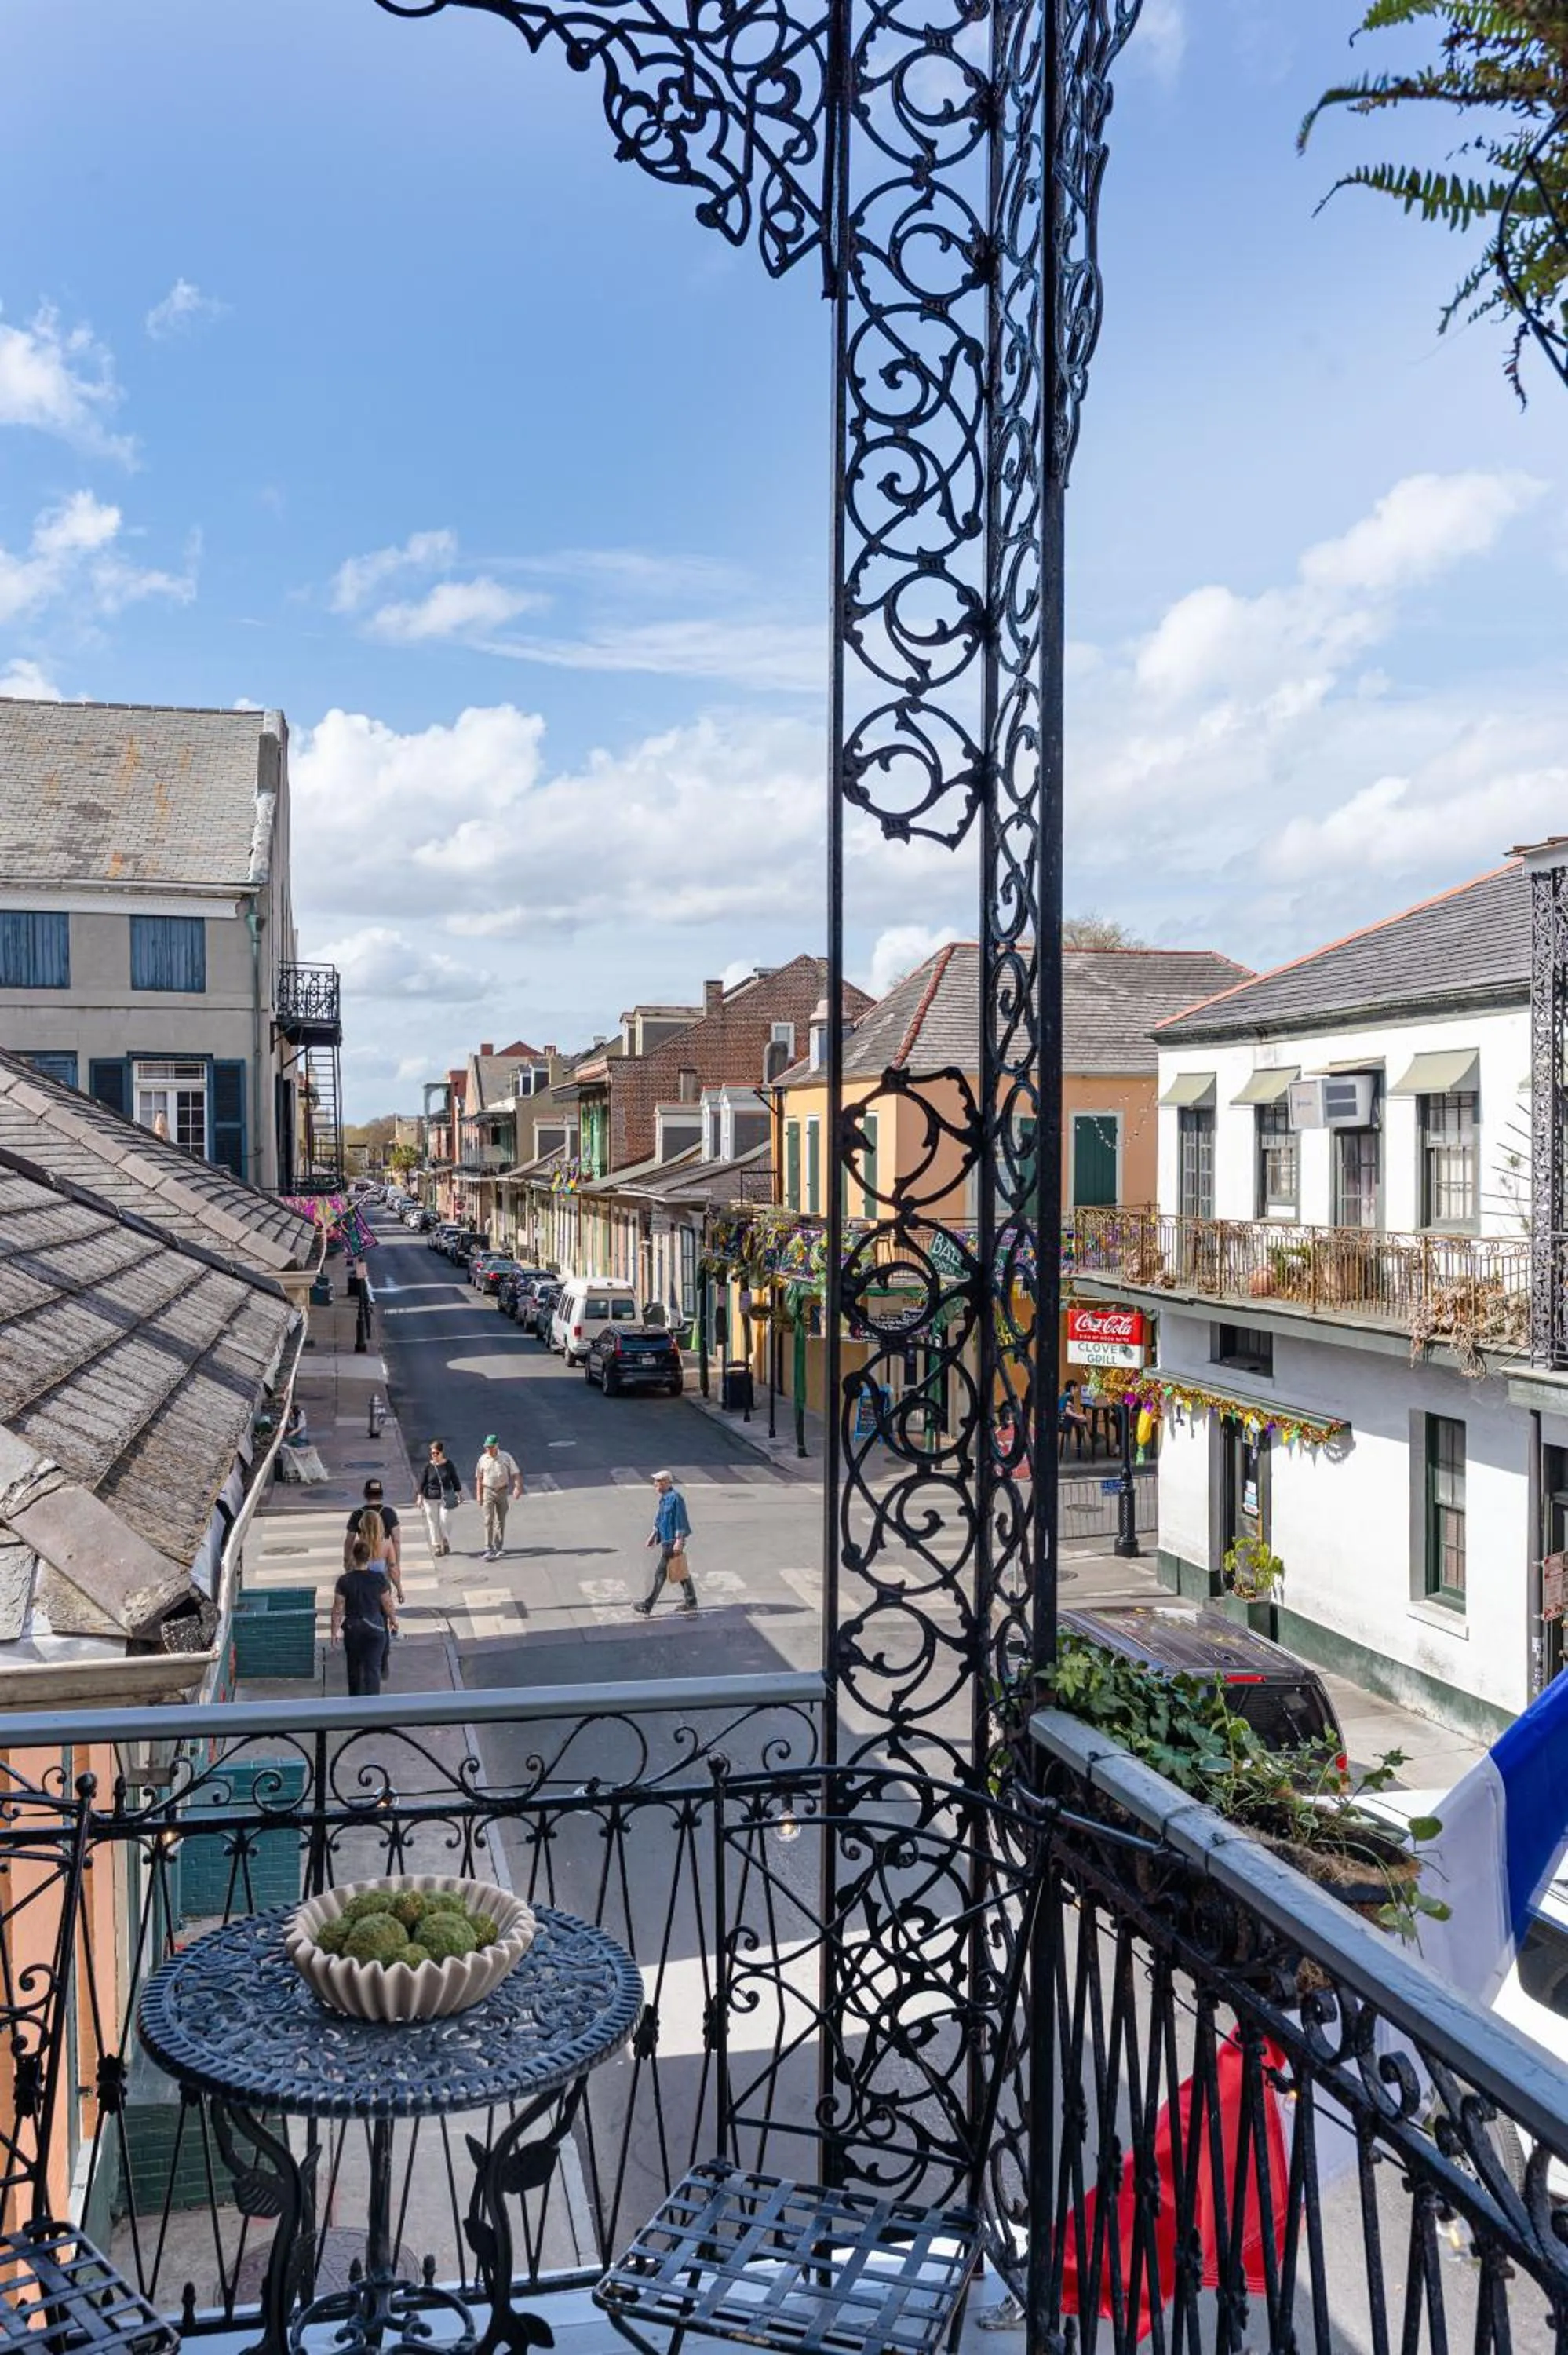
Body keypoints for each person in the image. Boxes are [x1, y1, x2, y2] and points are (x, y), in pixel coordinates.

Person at [331, 1536, 398, 1696]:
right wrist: (394, 1621)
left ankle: (355, 1706)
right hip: (375, 1627)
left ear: (354, 1557)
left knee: (354, 1668)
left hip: (353, 1629)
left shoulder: (344, 1581)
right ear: (369, 1557)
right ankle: (373, 1707)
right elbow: (387, 1603)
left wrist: (334, 1631)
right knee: (373, 1668)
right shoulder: (378, 1579)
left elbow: (338, 1608)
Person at [634, 1470, 695, 1616]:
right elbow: (660, 1519)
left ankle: (647, 1605)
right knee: (680, 1570)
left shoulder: (676, 1498)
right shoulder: (664, 1499)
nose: (656, 1484)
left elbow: (681, 1519)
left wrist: (679, 1541)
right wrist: (653, 1535)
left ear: (667, 1482)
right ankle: (691, 1601)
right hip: (666, 1540)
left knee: (660, 1574)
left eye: (659, 1481)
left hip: (673, 1541)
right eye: (656, 1481)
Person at [344, 1478, 403, 1598]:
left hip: (361, 1559)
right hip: (383, 1560)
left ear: (365, 1494)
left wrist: (347, 1560)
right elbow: (396, 1540)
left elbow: (349, 1541)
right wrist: (396, 1562)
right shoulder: (389, 1513)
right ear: (381, 1494)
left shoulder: (357, 1514)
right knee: (384, 1593)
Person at [474, 1434, 523, 1562]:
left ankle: (499, 1547)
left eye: (490, 1447)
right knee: (488, 1520)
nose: (488, 1450)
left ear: (497, 1446)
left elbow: (516, 1473)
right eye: (487, 1447)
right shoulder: (483, 1459)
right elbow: (479, 1478)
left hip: (502, 1491)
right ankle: (488, 1548)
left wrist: (517, 1488)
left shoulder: (506, 1457)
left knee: (500, 1520)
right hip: (488, 1491)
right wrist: (479, 1495)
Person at [414, 1439, 461, 1556]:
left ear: (442, 1452)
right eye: (433, 1453)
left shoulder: (448, 1464)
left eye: (437, 1453)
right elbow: (422, 1482)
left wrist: (458, 1492)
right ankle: (436, 1546)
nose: (434, 1455)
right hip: (430, 1498)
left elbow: (454, 1478)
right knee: (433, 1522)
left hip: (446, 1497)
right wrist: (419, 1496)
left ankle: (445, 1540)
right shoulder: (428, 1466)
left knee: (445, 1520)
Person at [1058, 1379, 1090, 1459]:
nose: (1077, 1390)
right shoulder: (1069, 1396)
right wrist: (1079, 1417)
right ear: (1072, 1388)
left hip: (1060, 1421)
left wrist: (1077, 1415)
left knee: (1080, 1422)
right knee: (1086, 1419)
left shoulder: (1063, 1395)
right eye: (1076, 1388)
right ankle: (1092, 1436)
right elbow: (1068, 1411)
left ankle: (1079, 1447)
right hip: (1066, 1422)